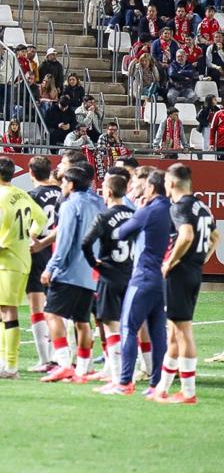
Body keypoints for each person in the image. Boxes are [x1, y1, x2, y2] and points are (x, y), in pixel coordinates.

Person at [154, 163, 219, 403]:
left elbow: (187, 235)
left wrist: (169, 262)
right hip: (192, 271)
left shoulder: (179, 207)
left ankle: (189, 392)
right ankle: (163, 387)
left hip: (180, 273)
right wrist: (200, 260)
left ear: (170, 183)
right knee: (174, 332)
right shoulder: (202, 206)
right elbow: (215, 237)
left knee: (183, 331)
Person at [0, 155, 48, 379]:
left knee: (7, 311)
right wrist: (30, 237)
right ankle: (2, 361)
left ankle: (10, 366)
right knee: (1, 310)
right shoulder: (22, 194)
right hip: (22, 258)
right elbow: (41, 220)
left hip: (7, 259)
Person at [109, 168, 171, 396]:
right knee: (157, 333)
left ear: (152, 188)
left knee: (129, 327)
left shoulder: (149, 209)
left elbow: (122, 233)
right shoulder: (169, 209)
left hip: (142, 275)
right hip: (160, 278)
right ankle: (157, 385)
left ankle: (124, 382)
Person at [39, 162, 103, 384]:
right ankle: (83, 370)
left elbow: (65, 241)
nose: (61, 185)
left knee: (51, 314)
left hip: (69, 270)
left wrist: (50, 268)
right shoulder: (99, 202)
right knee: (82, 321)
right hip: (90, 272)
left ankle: (65, 365)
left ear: (71, 184)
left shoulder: (69, 206)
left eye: (64, 181)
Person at [81, 168, 137, 390]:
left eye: (104, 188)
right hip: (131, 275)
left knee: (111, 327)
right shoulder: (135, 215)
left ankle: (118, 380)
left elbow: (86, 243)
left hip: (110, 276)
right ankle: (128, 376)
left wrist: (95, 264)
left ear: (110, 191)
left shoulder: (104, 216)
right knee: (128, 326)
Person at [24, 156, 59, 371]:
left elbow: (29, 227)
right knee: (56, 306)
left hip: (38, 251)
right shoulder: (62, 193)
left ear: (31, 173)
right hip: (58, 252)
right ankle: (61, 355)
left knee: (36, 305)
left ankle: (45, 359)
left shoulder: (32, 196)